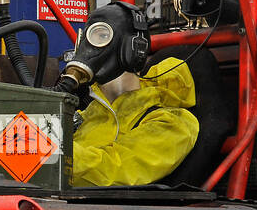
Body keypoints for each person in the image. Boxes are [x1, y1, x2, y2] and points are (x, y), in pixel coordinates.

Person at [71, 56, 199, 187]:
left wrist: (53, 153)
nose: (87, 51)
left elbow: (114, 170)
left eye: (103, 37)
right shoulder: (89, 114)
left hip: (108, 206)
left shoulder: (173, 123)